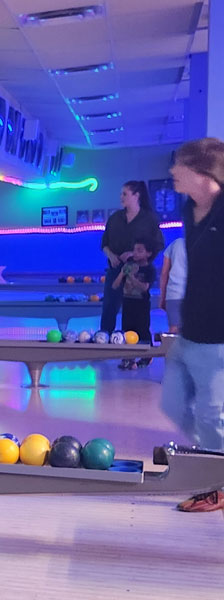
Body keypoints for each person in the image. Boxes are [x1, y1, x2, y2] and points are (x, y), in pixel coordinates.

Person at [160, 137, 224, 512]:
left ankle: (215, 484)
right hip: (191, 330)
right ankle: (212, 460)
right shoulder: (189, 209)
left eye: (179, 165)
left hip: (219, 336)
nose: (172, 172)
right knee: (172, 404)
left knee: (211, 416)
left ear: (202, 172)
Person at [99, 180, 163, 333]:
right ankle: (104, 338)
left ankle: (140, 344)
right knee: (109, 306)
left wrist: (137, 257)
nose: (121, 197)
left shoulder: (149, 219)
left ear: (137, 196)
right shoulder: (115, 218)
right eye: (121, 194)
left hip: (139, 272)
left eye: (125, 194)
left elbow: (158, 244)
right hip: (116, 270)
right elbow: (104, 244)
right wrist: (112, 256)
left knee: (137, 310)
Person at [113, 238, 157, 369]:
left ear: (148, 253)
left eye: (140, 250)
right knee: (127, 331)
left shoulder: (149, 269)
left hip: (141, 305)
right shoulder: (129, 266)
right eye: (134, 250)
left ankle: (146, 357)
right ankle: (128, 358)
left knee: (143, 331)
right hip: (127, 303)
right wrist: (122, 273)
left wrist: (131, 277)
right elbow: (115, 285)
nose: (135, 253)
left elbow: (144, 288)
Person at [159, 236, 187, 334]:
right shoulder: (202, 243)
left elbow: (164, 273)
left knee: (174, 330)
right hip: (194, 295)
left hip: (173, 293)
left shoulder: (175, 244)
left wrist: (162, 298)